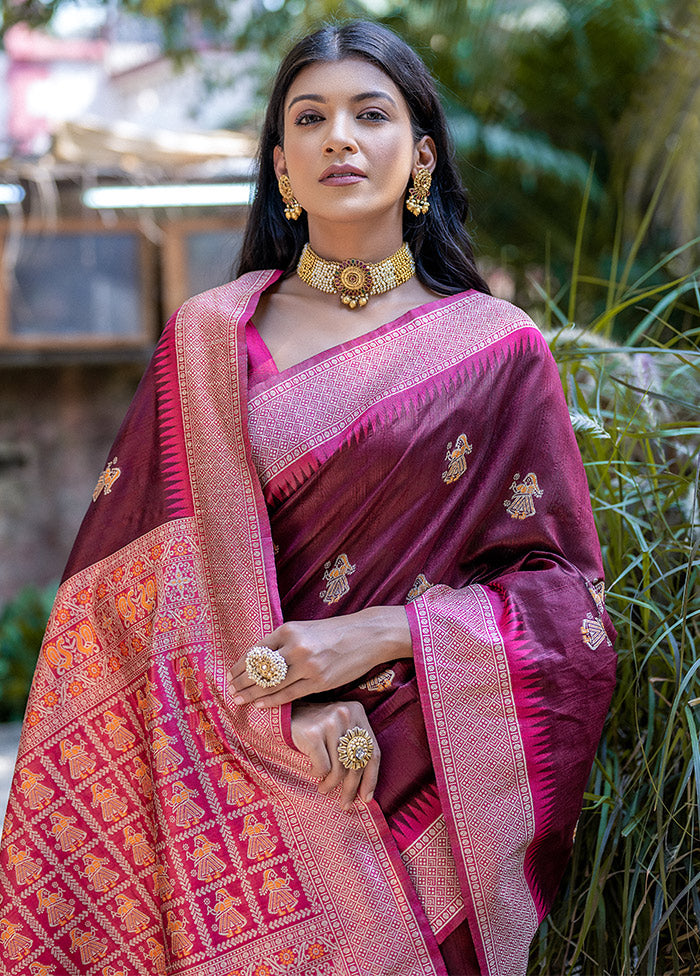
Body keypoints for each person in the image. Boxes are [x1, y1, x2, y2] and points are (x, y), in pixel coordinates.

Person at [0, 20, 616, 976]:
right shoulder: (209, 340)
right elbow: (132, 599)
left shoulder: (499, 352)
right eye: (309, 118)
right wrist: (278, 710)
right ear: (282, 166)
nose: (339, 137)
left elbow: (567, 603)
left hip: (416, 781)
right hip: (225, 776)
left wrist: (377, 634)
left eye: (371, 114)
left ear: (420, 154)